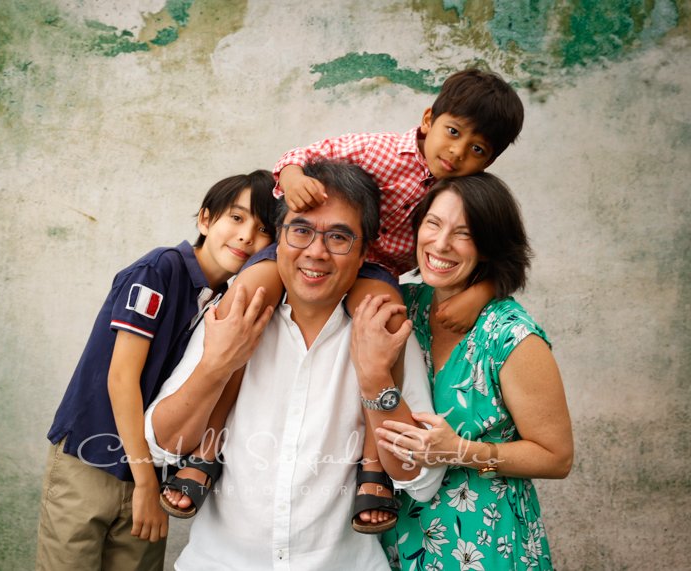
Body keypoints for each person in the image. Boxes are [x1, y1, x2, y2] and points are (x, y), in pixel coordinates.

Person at [164, 68, 526, 532]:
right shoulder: (382, 151)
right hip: (316, 250)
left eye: (477, 149)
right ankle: (205, 449)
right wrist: (293, 178)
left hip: (369, 271)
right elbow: (302, 156)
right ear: (427, 119)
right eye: (452, 133)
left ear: (489, 160)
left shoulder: (456, 196)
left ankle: (372, 464)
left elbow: (500, 251)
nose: (457, 152)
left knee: (385, 323)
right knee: (246, 304)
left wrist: (479, 292)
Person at [144, 160, 447, 569]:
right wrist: (216, 366)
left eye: (339, 237)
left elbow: (422, 482)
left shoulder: (384, 331)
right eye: (301, 230)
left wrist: (376, 379)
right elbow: (161, 446)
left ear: (363, 254)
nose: (317, 252)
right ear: (279, 239)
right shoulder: (236, 316)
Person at [35, 170, 278, 570]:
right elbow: (121, 378)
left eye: (263, 228)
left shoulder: (225, 302)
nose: (246, 236)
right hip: (89, 461)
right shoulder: (161, 270)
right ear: (205, 220)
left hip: (152, 472)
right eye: (236, 218)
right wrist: (147, 482)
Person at [373, 173, 573, 570]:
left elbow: (556, 457)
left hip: (485, 541)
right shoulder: (403, 305)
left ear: (488, 247)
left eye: (463, 233)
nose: (441, 243)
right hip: (398, 538)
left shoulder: (511, 336)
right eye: (433, 223)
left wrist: (463, 452)